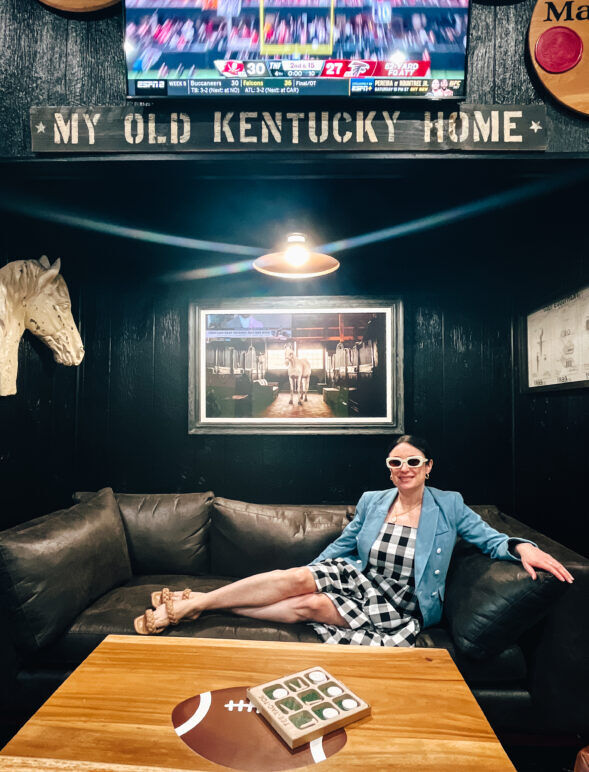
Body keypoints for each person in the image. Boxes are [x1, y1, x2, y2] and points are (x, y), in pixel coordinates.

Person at [134, 435, 573, 639]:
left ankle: (194, 605)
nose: (402, 470)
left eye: (412, 462)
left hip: (402, 602)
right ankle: (194, 606)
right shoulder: (373, 500)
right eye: (394, 463)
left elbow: (491, 538)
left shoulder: (450, 505)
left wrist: (524, 548)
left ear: (428, 467)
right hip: (361, 579)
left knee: (309, 605)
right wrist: (316, 569)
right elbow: (344, 547)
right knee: (298, 579)